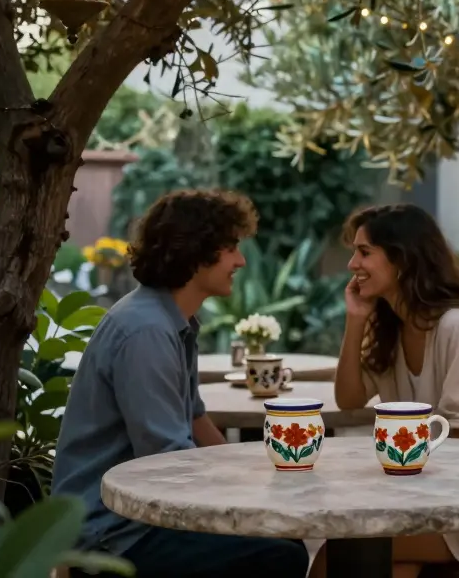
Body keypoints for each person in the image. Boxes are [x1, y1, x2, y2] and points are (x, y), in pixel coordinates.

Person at [52, 189, 310, 578]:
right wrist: (248, 498)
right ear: (195, 252)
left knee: (285, 538)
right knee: (279, 556)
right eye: (230, 248)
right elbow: (167, 461)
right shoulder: (147, 332)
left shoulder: (171, 320)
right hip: (112, 534)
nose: (240, 260)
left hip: (134, 520)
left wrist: (255, 480)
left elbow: (194, 420)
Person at [322, 204, 459, 578]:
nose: (352, 264)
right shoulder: (392, 326)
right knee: (388, 561)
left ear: (403, 259)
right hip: (430, 500)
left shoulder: (458, 327)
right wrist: (355, 319)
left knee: (344, 551)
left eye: (365, 252)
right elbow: (349, 398)